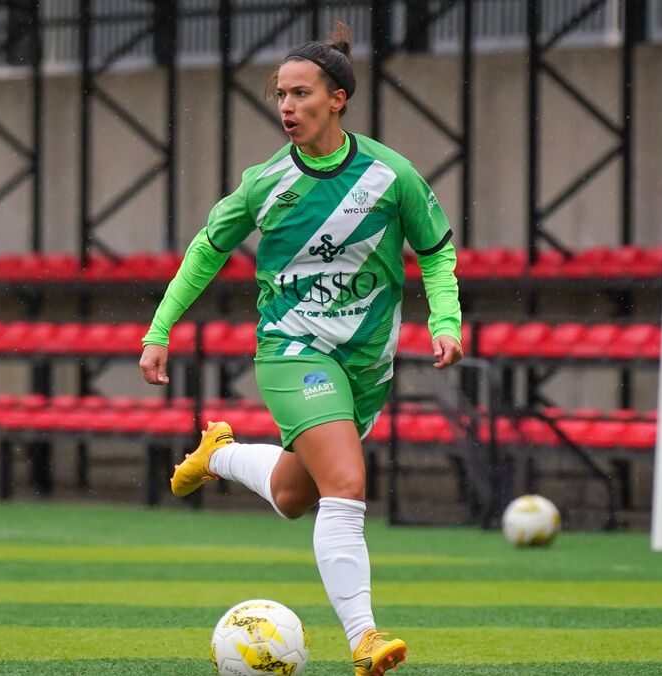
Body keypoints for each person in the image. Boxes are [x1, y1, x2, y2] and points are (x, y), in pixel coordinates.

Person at [139, 23, 463, 676]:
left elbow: (435, 251)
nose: (286, 106)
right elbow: (206, 250)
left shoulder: (391, 175)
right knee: (346, 482)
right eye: (280, 95)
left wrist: (446, 320)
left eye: (301, 93)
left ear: (337, 98)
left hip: (365, 362)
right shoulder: (265, 183)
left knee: (293, 496)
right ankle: (364, 639)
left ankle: (218, 453)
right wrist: (158, 330)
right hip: (293, 350)